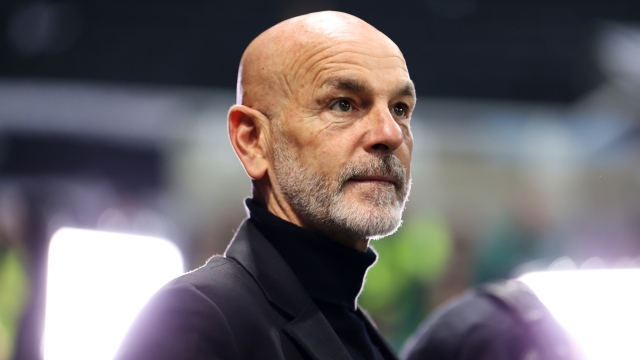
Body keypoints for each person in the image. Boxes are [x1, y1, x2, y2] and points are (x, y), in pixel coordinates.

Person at [115, 10, 416, 360]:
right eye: (343, 104)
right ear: (253, 140)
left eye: (399, 108)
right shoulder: (199, 321)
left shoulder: (363, 336)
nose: (391, 134)